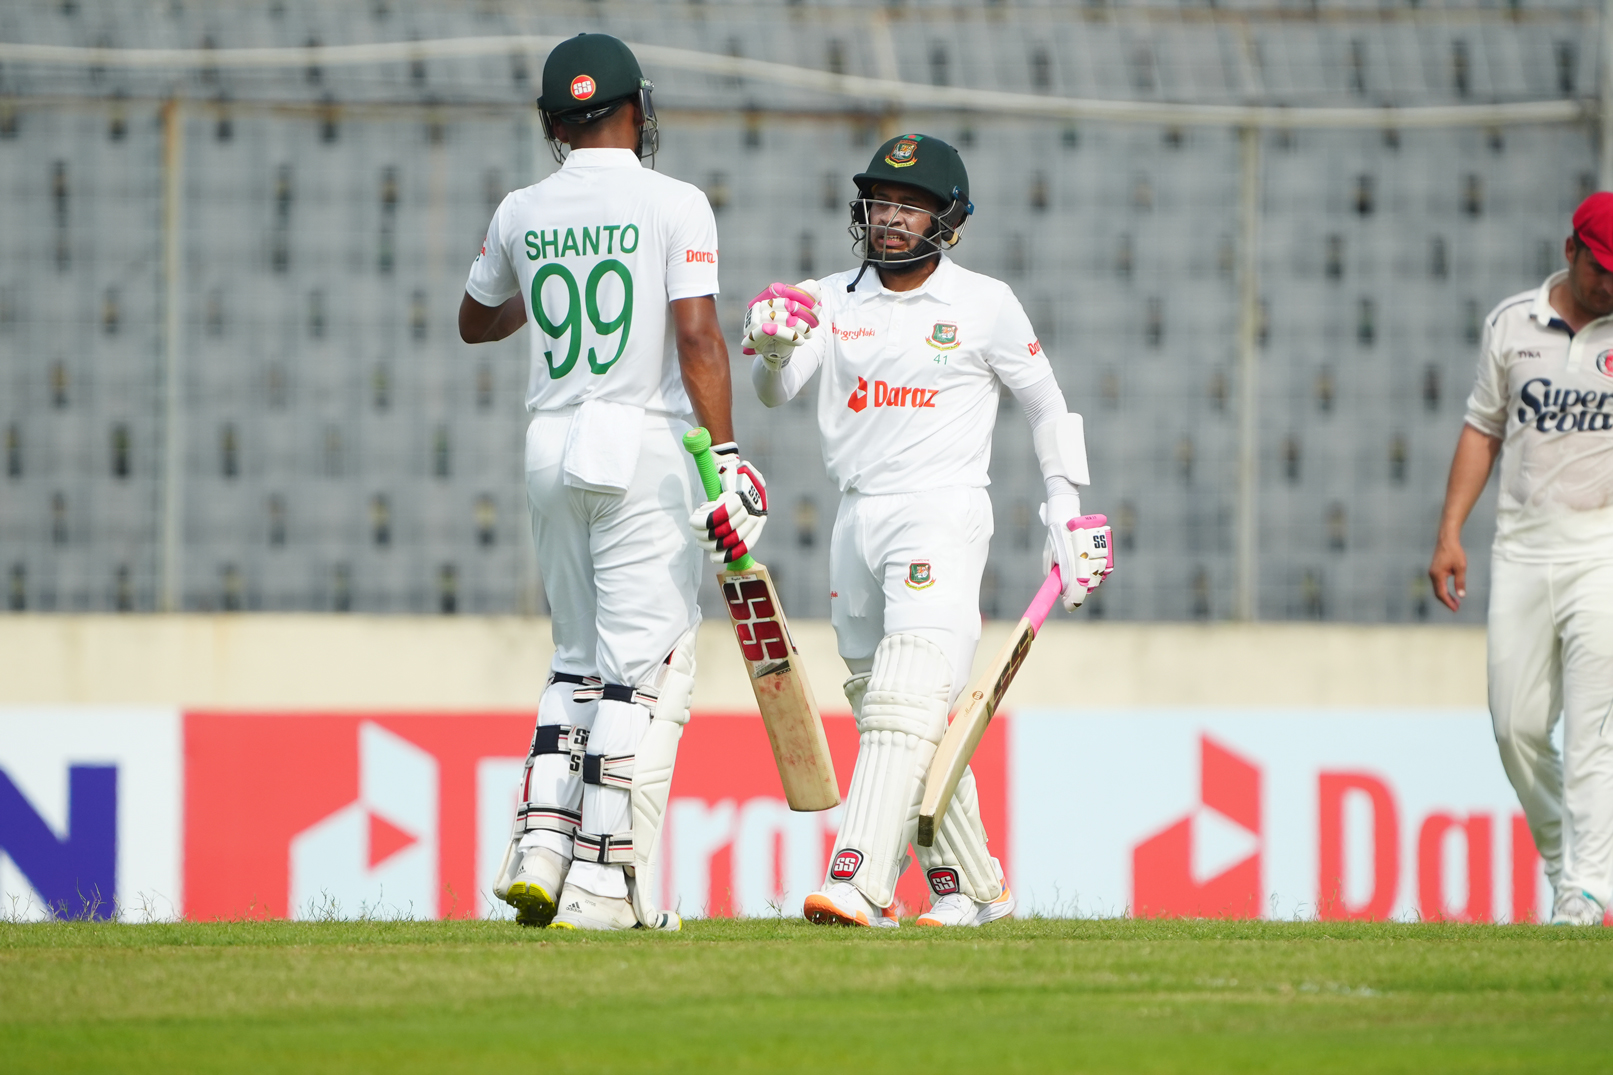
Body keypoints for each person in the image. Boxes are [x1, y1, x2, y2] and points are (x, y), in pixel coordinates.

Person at [712, 133, 1113, 927]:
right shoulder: (827, 297)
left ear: (950, 219)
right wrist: (767, 350)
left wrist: (1063, 510)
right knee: (888, 706)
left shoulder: (984, 304)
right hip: (855, 513)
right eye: (881, 203)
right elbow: (772, 389)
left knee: (903, 698)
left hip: (942, 509)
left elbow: (1045, 405)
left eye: (911, 207)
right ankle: (972, 886)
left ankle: (858, 878)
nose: (891, 220)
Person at [459, 33, 767, 931]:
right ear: (636, 107)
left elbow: (474, 320)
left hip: (550, 446)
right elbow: (699, 337)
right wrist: (731, 456)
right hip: (640, 443)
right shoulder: (675, 202)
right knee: (643, 670)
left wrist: (548, 278)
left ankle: (541, 853)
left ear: (555, 124)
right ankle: (602, 885)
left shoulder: (522, 209)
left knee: (574, 660)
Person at [1429, 191, 1613, 927]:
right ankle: (1563, 859)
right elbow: (1481, 429)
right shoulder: (1510, 324)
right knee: (1515, 724)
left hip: (1601, 545)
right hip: (1522, 543)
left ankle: (1585, 887)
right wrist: (1450, 532)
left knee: (1594, 724)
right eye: (1601, 269)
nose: (1609, 286)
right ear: (1570, 249)